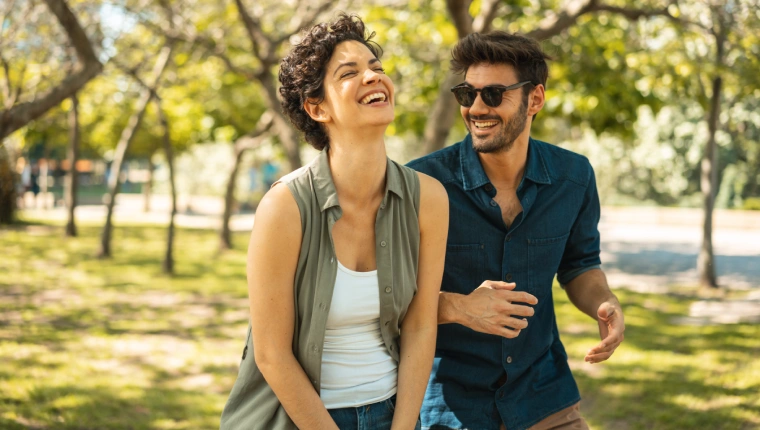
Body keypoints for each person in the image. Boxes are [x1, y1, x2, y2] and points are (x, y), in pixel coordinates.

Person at [220, 14, 449, 430]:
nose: (372, 77)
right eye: (350, 72)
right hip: (297, 419)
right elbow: (271, 353)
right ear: (316, 107)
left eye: (376, 68)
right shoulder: (284, 207)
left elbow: (419, 324)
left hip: (392, 413)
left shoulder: (429, 199)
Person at [407, 32, 625, 430]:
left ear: (535, 99)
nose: (475, 108)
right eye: (466, 94)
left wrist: (603, 302)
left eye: (493, 94)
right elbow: (386, 296)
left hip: (545, 397)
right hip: (451, 407)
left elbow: (579, 265)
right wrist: (457, 307)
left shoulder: (574, 177)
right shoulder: (421, 183)